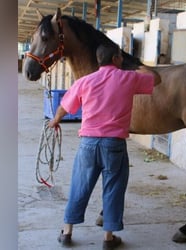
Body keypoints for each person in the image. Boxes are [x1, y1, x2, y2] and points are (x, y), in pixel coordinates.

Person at [48, 43, 161, 249]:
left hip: (88, 144)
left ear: (99, 60)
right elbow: (157, 79)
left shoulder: (85, 81)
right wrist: (136, 65)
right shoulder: (128, 77)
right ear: (117, 59)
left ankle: (67, 232)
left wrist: (55, 120)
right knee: (114, 188)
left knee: (79, 186)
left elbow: (65, 106)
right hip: (114, 144)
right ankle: (108, 238)